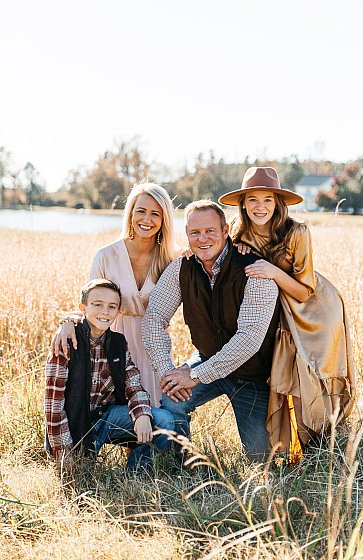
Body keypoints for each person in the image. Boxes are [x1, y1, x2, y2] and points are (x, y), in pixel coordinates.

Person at [218, 166, 355, 454]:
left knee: (313, 378)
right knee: (283, 379)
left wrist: (272, 271)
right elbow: (209, 248)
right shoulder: (235, 232)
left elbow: (305, 289)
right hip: (277, 317)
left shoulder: (296, 232)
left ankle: (323, 447)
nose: (260, 207)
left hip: (313, 311)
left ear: (278, 203)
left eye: (268, 200)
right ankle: (290, 447)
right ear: (243, 203)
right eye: (253, 200)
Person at [142, 200, 280, 462]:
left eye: (210, 231)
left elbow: (248, 340)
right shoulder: (182, 267)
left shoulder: (255, 270)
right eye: (194, 232)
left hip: (253, 373)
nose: (202, 239)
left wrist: (195, 375)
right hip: (208, 357)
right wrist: (168, 373)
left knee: (261, 459)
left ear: (226, 231)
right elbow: (153, 319)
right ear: (187, 234)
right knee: (172, 402)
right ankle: (183, 463)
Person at [52, 181, 177, 407]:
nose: (146, 220)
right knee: (122, 416)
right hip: (114, 344)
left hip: (155, 348)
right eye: (141, 211)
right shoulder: (105, 256)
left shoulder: (172, 261)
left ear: (164, 219)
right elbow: (90, 305)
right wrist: (67, 321)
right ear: (130, 213)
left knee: (159, 420)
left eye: (155, 214)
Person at [45, 278, 174, 470]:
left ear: (118, 312)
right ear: (83, 307)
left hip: (106, 419)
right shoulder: (66, 343)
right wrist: (64, 452)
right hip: (74, 426)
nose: (105, 312)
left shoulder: (118, 343)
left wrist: (142, 415)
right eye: (98, 305)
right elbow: (53, 407)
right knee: (82, 475)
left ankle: (136, 474)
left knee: (164, 420)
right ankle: (79, 457)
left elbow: (134, 385)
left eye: (112, 306)